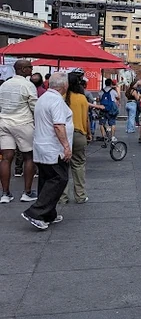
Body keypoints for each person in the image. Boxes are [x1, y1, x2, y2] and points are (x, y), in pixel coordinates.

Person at [21, 72, 73, 230]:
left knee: (46, 179)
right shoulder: (56, 101)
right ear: (64, 86)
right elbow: (58, 125)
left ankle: (48, 214)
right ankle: (36, 212)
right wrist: (66, 146)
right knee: (59, 178)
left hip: (42, 145)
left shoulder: (43, 98)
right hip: (53, 148)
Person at [0, 59, 38, 203]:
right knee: (29, 157)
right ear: (22, 69)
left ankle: (5, 194)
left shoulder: (4, 85)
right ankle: (27, 192)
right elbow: (34, 106)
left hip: (4, 122)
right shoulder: (28, 85)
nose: (32, 70)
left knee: (6, 158)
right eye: (30, 67)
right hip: (23, 123)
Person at [60, 71, 90, 204]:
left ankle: (62, 197)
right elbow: (86, 119)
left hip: (63, 135)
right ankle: (80, 195)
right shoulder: (82, 98)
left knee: (62, 166)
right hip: (79, 134)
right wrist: (88, 134)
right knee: (78, 165)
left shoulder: (60, 98)